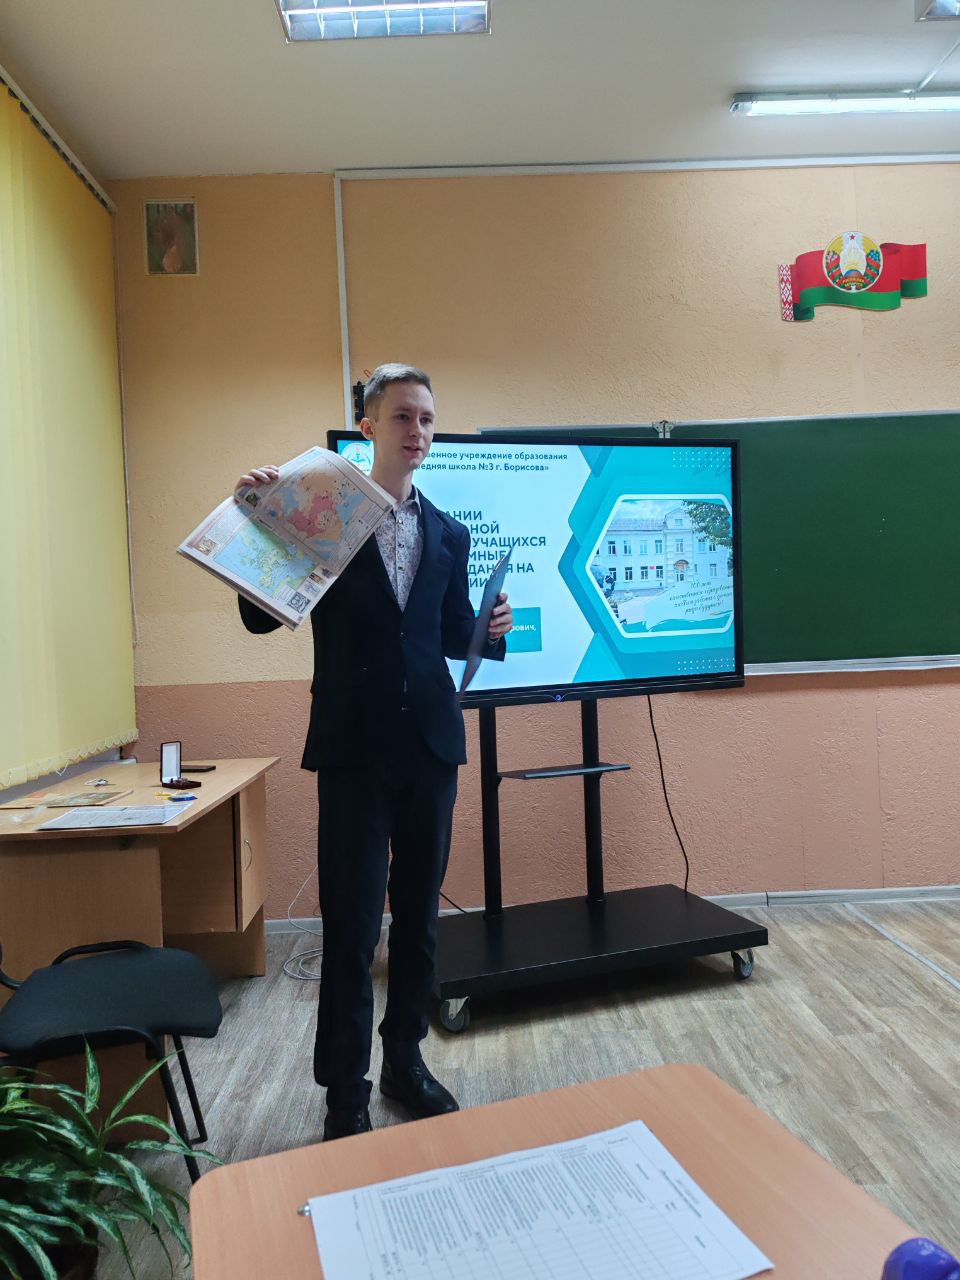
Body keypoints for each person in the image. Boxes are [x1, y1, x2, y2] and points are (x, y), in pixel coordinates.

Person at [236, 364, 513, 1140]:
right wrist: (260, 523)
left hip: (431, 745)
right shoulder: (325, 518)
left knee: (419, 922)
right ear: (368, 428)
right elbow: (261, 618)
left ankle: (404, 1063)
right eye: (401, 417)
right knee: (353, 929)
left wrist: (488, 631)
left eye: (426, 418)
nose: (417, 431)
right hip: (353, 748)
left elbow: (448, 631)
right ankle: (344, 1093)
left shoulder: (449, 532)